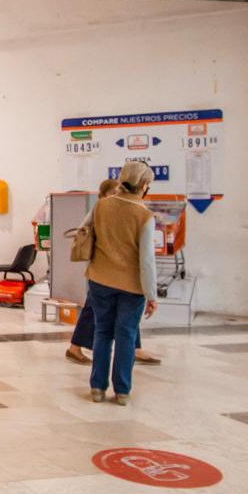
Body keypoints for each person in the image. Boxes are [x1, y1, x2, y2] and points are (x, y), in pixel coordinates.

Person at [66, 179, 162, 365]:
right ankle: (75, 347)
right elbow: (83, 229)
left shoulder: (124, 211)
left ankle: (134, 348)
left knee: (121, 314)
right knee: (96, 313)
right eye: (114, 193)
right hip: (103, 271)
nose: (119, 197)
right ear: (103, 195)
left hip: (111, 273)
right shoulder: (102, 209)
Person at [85, 161, 158, 405]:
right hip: (131, 285)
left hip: (99, 278)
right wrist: (151, 295)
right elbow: (146, 260)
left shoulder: (102, 205)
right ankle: (122, 391)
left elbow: (84, 230)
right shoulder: (144, 215)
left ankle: (97, 387)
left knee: (102, 332)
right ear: (144, 185)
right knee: (126, 335)